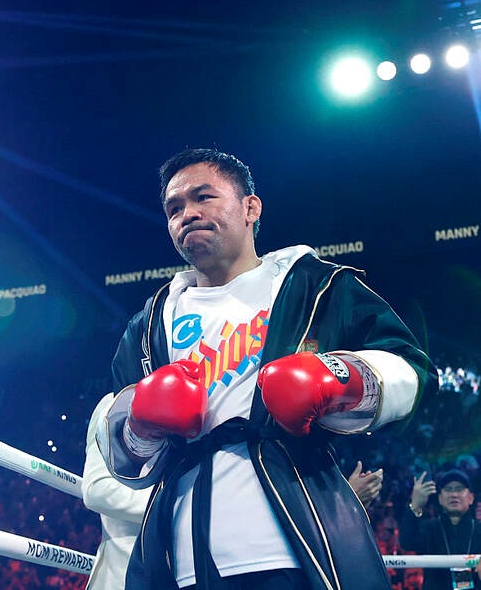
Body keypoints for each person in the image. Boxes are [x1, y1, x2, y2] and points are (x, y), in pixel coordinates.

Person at [96, 148, 437, 590]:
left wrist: (342, 377)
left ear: (250, 208)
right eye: (174, 208)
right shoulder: (148, 325)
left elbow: (413, 369)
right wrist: (140, 422)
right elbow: (120, 451)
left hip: (294, 538)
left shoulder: (314, 286)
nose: (187, 214)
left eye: (204, 197)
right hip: (180, 554)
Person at [82, 393, 152, 589]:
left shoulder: (208, 401)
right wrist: (174, 506)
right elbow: (97, 489)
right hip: (124, 572)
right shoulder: (120, 400)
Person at [399, 469, 481, 589]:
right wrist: (415, 506)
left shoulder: (478, 529)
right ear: (440, 499)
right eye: (448, 489)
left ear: (471, 498)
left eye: (459, 489)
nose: (454, 494)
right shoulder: (429, 528)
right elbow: (407, 542)